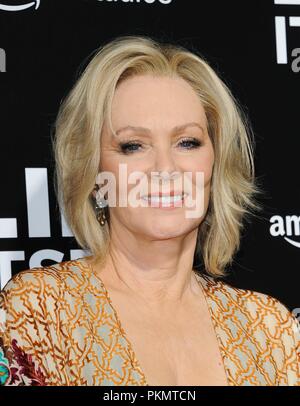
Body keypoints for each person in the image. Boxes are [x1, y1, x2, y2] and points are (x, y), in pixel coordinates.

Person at [0, 35, 299, 386]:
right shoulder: (41, 310)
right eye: (133, 146)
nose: (165, 169)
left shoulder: (270, 329)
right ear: (93, 173)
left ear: (215, 163)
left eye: (187, 142)